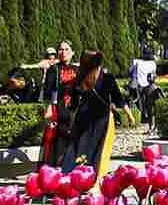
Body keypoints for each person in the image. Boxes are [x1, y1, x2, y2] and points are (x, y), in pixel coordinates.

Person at [55, 50, 134, 178]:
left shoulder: (80, 78)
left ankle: (72, 176)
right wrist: (129, 114)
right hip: (101, 119)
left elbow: (73, 105)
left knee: (79, 147)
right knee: (97, 150)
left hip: (83, 118)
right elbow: (118, 98)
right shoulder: (107, 78)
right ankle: (90, 177)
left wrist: (71, 123)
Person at [39, 42, 76, 165]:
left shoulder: (76, 69)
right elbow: (49, 91)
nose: (63, 52)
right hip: (58, 107)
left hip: (73, 107)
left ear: (72, 53)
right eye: (60, 49)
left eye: (66, 49)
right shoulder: (53, 69)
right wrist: (49, 109)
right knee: (55, 138)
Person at [129, 51, 159, 129]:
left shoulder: (137, 62)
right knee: (148, 105)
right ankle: (149, 121)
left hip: (139, 83)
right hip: (147, 85)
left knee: (141, 101)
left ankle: (144, 117)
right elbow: (154, 74)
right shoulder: (152, 64)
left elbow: (131, 71)